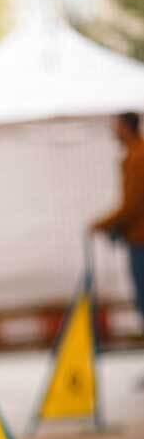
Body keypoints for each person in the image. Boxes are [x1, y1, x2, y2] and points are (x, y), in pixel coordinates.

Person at [89, 112, 144, 327]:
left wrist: (101, 225)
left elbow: (133, 205)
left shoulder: (137, 158)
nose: (113, 131)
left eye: (116, 126)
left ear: (125, 127)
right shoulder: (134, 155)